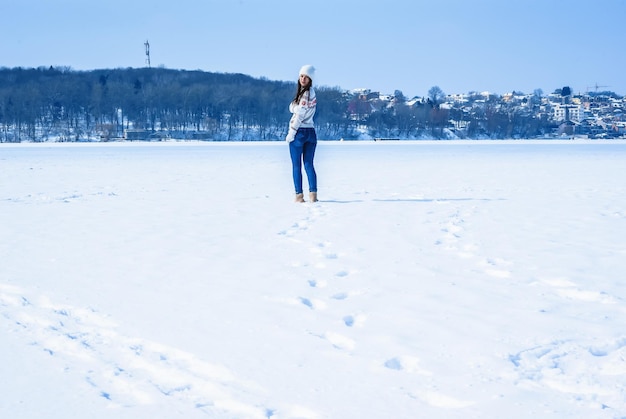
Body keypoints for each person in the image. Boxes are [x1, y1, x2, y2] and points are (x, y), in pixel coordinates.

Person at [286, 65, 318, 203]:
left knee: (296, 165)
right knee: (309, 164)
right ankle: (313, 195)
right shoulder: (312, 93)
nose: (303, 79)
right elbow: (296, 107)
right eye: (301, 76)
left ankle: (299, 196)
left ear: (310, 79)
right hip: (311, 131)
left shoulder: (304, 94)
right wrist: (294, 107)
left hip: (300, 132)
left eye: (306, 76)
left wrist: (291, 133)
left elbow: (299, 114)